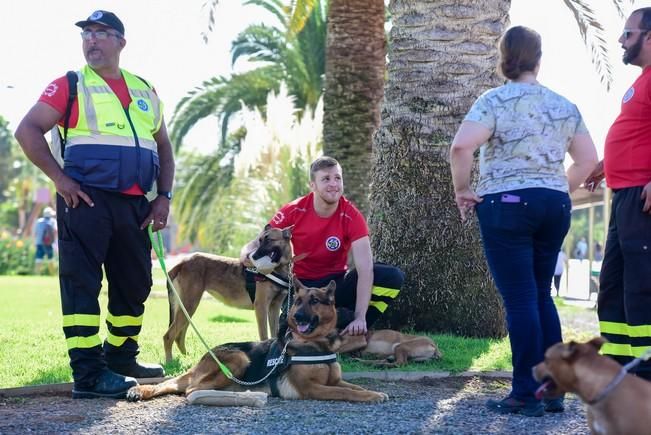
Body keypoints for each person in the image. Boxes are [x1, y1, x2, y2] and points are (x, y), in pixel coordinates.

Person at [15, 10, 175, 399]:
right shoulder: (69, 85)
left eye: (102, 33)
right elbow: (27, 130)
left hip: (136, 205)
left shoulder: (144, 90)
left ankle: (121, 357)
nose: (92, 40)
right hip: (85, 200)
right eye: (87, 34)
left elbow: (164, 147)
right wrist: (60, 179)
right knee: (82, 285)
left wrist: (163, 197)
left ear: (121, 41)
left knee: (134, 283)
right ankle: (88, 375)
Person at [449, 26, 598, 416]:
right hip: (554, 205)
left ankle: (524, 391)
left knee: (519, 299)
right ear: (538, 58)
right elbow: (587, 160)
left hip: (507, 204)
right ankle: (552, 390)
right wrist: (552, 187)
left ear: (504, 58)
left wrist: (463, 189)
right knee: (540, 294)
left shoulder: (494, 101)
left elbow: (462, 146)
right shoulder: (564, 104)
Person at [240, 156, 404, 336]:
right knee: (289, 339)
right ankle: (324, 324)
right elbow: (256, 242)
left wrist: (360, 317)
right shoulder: (293, 210)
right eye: (326, 179)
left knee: (391, 276)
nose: (334, 184)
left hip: (334, 286)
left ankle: (353, 330)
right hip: (301, 288)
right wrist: (246, 255)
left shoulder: (352, 216)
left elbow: (365, 269)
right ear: (313, 185)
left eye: (337, 178)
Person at [585, 7, 651, 382]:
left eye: (628, 34)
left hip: (641, 199)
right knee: (613, 285)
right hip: (623, 195)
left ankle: (647, 375)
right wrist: (607, 162)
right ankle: (620, 372)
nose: (621, 41)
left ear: (650, 36)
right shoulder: (641, 81)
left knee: (642, 288)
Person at [34, 206, 57, 274]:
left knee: (38, 259)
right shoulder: (52, 221)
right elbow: (55, 231)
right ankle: (52, 274)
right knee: (50, 259)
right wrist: (54, 241)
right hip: (48, 243)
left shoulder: (38, 221)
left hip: (39, 242)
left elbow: (35, 233)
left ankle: (37, 274)